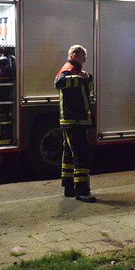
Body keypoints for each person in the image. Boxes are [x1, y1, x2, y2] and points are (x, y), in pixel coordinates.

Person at [54, 45, 96, 203]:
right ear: (74, 55)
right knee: (81, 154)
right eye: (83, 57)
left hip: (75, 120)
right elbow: (58, 83)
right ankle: (82, 191)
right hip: (74, 120)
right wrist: (80, 78)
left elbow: (86, 87)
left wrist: (87, 77)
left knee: (69, 155)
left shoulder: (76, 70)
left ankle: (69, 188)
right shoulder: (68, 69)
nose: (85, 60)